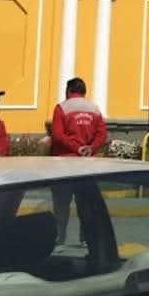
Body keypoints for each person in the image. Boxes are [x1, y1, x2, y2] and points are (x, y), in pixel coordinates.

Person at [50, 78, 107, 245]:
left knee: (61, 204)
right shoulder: (94, 109)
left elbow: (58, 135)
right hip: (87, 164)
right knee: (86, 203)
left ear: (68, 91)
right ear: (84, 91)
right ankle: (86, 238)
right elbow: (102, 134)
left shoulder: (62, 108)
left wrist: (76, 148)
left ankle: (59, 239)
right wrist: (90, 147)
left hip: (64, 163)